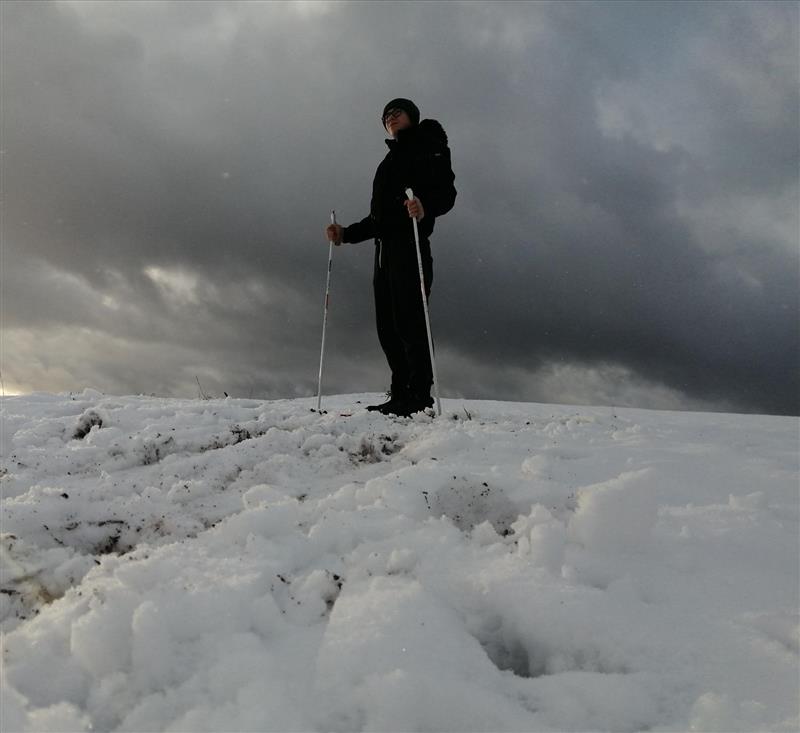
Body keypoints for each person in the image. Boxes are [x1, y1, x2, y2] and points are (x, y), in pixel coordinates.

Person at [324, 97, 457, 417]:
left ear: (412, 116)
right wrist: (346, 234)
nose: (391, 119)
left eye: (397, 113)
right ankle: (400, 392)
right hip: (384, 251)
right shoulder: (391, 159)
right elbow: (379, 218)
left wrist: (424, 206)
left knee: (410, 321)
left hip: (411, 247)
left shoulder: (430, 145)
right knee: (388, 325)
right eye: (385, 117)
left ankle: (418, 394)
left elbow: (447, 192)